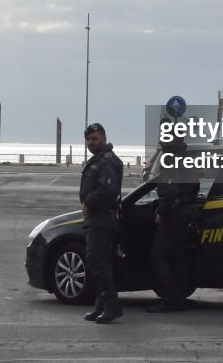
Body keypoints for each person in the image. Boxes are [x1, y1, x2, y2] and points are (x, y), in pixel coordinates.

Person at [147, 136, 199, 313]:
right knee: (178, 257)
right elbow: (195, 187)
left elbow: (170, 190)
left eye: (165, 137)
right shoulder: (186, 158)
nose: (160, 140)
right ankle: (179, 298)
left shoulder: (170, 159)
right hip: (185, 214)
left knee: (158, 254)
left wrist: (162, 212)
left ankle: (169, 299)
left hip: (173, 216)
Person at [79, 122, 124, 324]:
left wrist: (89, 202)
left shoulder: (106, 161)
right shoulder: (98, 159)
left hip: (101, 219)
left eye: (94, 139)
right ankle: (101, 306)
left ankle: (112, 306)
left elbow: (108, 190)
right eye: (88, 140)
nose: (91, 143)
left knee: (97, 262)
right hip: (98, 219)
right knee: (101, 264)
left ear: (104, 138)